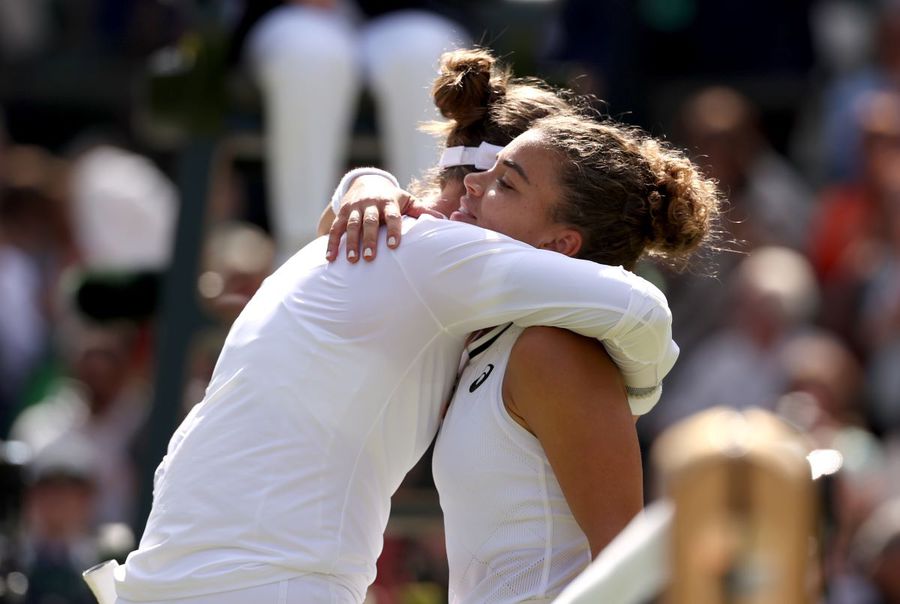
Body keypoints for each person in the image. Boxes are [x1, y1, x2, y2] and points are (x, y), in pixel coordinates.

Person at [114, 53, 680, 604]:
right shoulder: (437, 253)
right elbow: (642, 310)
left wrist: (362, 181)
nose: (485, 191)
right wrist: (638, 390)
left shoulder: (413, 257)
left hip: (183, 576)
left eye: (509, 184)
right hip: (262, 585)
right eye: (495, 177)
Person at [326, 49, 722, 602]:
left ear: (560, 245)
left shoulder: (552, 351)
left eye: (505, 184)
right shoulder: (491, 337)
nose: (472, 186)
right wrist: (367, 181)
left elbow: (630, 567)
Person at [230, 0, 469, 258]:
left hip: (410, 13)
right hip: (292, 14)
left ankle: (430, 244)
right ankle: (302, 256)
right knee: (310, 55)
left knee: (425, 53)